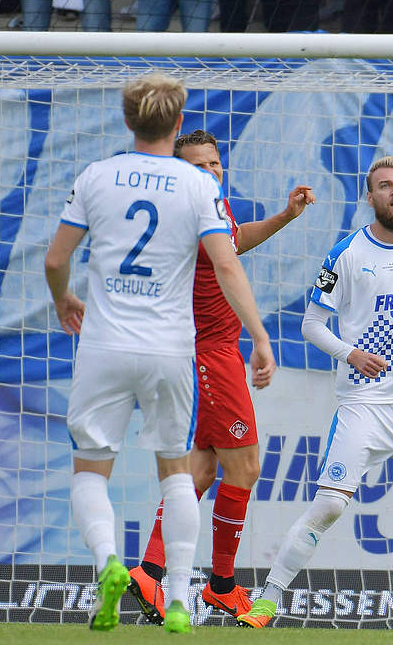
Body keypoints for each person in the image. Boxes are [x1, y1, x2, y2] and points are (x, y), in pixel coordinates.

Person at [43, 74, 276, 633]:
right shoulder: (195, 189)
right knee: (179, 472)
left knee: (91, 474)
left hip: (103, 341)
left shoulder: (97, 176)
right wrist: (261, 335)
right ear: (176, 126)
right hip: (176, 350)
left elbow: (55, 261)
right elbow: (227, 261)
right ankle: (180, 594)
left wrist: (64, 299)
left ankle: (113, 563)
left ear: (127, 121)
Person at [237, 156, 393, 632]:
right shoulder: (346, 254)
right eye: (385, 186)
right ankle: (266, 602)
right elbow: (311, 325)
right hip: (364, 402)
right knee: (328, 504)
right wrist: (351, 354)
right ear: (370, 198)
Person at [125, 130, 315, 623]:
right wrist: (261, 338)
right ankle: (222, 585)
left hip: (213, 353)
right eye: (197, 166)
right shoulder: (190, 215)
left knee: (204, 469)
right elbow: (228, 268)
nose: (209, 172)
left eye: (214, 163)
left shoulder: (215, 208)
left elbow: (235, 240)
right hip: (212, 354)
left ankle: (150, 570)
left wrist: (284, 217)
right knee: (246, 468)